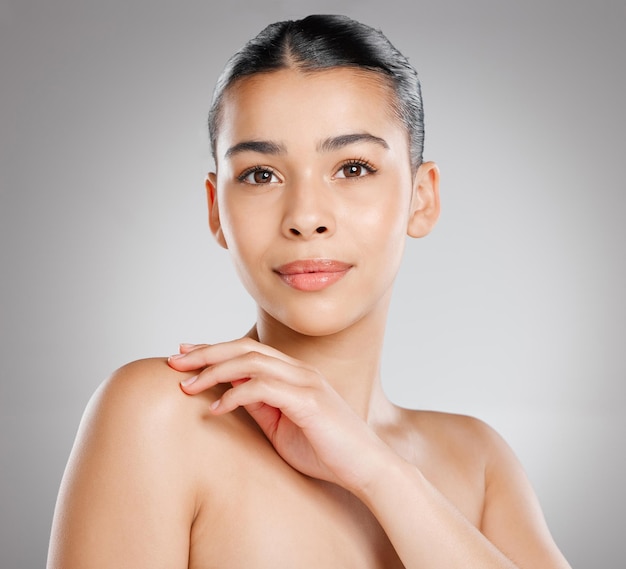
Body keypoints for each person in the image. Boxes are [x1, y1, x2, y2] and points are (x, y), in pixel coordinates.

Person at [47, 14, 571, 569]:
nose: (305, 217)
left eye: (352, 166)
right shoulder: (162, 415)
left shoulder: (479, 461)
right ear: (215, 210)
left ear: (422, 198)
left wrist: (378, 471)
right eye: (260, 175)